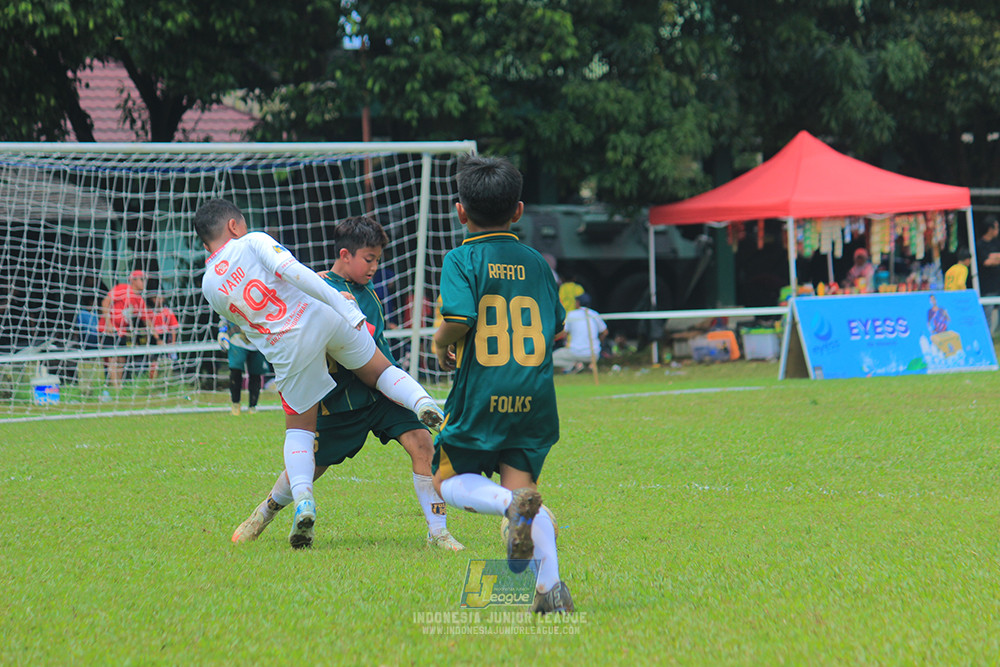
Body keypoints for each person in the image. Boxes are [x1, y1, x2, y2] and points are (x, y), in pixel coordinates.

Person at [194, 198, 443, 550]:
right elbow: (295, 271)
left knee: (419, 442)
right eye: (368, 259)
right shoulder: (259, 246)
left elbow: (250, 328)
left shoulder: (209, 285)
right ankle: (265, 512)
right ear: (234, 226)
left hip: (310, 363)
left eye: (376, 259)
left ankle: (439, 532)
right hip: (341, 397)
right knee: (316, 457)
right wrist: (341, 304)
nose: (373, 266)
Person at [431, 155, 574, 615]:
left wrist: (439, 344)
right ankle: (550, 592)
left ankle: (510, 505)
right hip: (534, 395)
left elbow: (459, 317)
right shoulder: (537, 261)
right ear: (518, 211)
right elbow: (557, 330)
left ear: (460, 211)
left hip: (483, 391)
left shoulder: (462, 257)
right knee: (524, 489)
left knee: (445, 482)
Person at [99, 270, 152, 388]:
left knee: (122, 358)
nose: (144, 282)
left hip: (121, 332)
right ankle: (115, 387)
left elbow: (147, 320)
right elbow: (105, 302)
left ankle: (118, 385)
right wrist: (108, 323)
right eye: (142, 279)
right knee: (112, 357)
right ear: (133, 280)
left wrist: (157, 336)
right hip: (109, 330)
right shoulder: (122, 289)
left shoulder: (139, 300)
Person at [217, 319, 269, 414]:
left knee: (255, 374)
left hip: (257, 340)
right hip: (237, 339)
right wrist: (222, 331)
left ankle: (253, 406)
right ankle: (235, 404)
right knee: (235, 371)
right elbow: (224, 313)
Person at [552, 293, 608, 374]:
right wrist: (598, 342)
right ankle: (586, 365)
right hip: (594, 354)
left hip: (576, 353)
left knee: (551, 358)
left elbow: (563, 333)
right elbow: (605, 332)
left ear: (578, 303)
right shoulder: (594, 314)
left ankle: (574, 365)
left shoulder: (572, 314)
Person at [976, 216, 1000, 332]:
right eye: (996, 228)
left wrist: (993, 257)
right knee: (987, 310)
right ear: (990, 229)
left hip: (997, 283)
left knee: (995, 310)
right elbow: (986, 261)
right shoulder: (980, 245)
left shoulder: (996, 243)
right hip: (987, 285)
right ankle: (987, 334)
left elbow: (991, 259)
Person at [149, 294, 179, 381]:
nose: (157, 300)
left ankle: (166, 382)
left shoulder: (167, 312)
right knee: (154, 363)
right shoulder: (150, 312)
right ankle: (152, 383)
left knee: (167, 362)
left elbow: (173, 328)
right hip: (154, 339)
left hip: (166, 338)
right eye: (154, 298)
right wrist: (157, 339)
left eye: (158, 297)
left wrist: (173, 344)